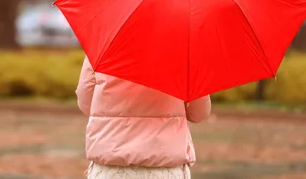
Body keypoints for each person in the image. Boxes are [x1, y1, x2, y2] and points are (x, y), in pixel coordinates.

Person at [76, 56, 211, 179]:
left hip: (110, 167)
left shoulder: (102, 48)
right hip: (164, 168)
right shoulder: (185, 54)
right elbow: (199, 113)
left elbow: (86, 104)